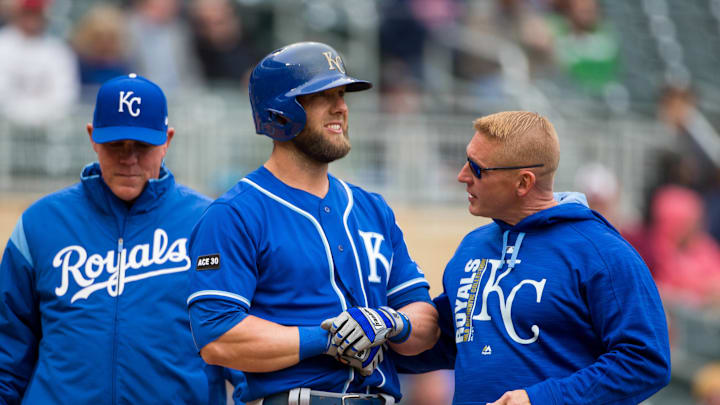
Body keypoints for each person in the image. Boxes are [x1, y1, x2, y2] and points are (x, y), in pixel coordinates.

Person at [187, 41, 440, 404]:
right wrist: (326, 339)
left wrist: (392, 323)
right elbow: (217, 337)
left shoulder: (373, 208)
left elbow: (426, 324)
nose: (341, 107)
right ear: (281, 111)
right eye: (323, 96)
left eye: (342, 94)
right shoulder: (236, 213)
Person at [393, 111, 671, 404]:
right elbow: (447, 340)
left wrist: (541, 399)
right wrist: (374, 342)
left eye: (477, 168)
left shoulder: (603, 253)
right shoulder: (472, 246)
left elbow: (646, 361)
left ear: (523, 183)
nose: (462, 176)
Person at [0, 74, 228, 404]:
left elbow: (238, 350)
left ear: (167, 139)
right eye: (116, 144)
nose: (128, 158)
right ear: (92, 137)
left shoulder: (208, 223)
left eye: (142, 145)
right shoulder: (40, 223)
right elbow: (7, 354)